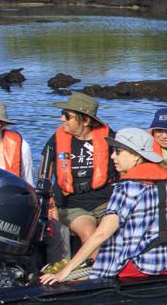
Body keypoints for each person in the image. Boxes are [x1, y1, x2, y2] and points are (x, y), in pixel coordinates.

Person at [40, 128, 167, 283]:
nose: (112, 156)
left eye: (118, 152)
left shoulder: (128, 187)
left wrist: (65, 272)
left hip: (138, 266)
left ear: (136, 156)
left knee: (77, 276)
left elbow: (101, 234)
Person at [39, 92, 116, 252]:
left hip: (104, 202)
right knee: (89, 232)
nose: (62, 119)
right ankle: (91, 268)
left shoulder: (110, 138)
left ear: (85, 120)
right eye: (63, 114)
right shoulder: (56, 140)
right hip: (71, 204)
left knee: (116, 230)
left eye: (67, 116)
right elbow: (44, 174)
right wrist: (49, 203)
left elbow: (125, 170)